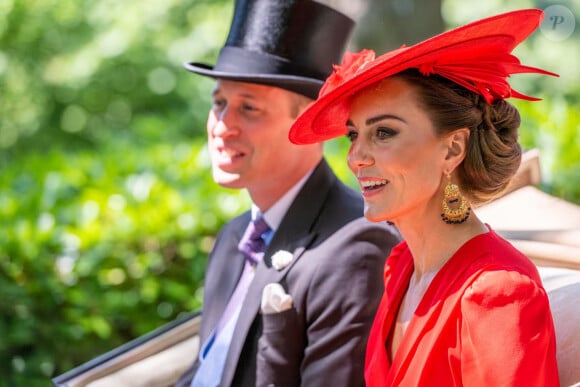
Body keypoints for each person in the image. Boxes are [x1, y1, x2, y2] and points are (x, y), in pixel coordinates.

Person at [289, 9, 560, 386]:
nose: (356, 157)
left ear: (451, 150)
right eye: (354, 135)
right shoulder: (400, 266)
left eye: (383, 133)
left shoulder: (497, 291)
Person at [175, 1, 401, 386]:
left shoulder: (355, 247)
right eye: (219, 103)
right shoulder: (234, 237)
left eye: (249, 108)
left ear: (310, 123)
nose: (222, 126)